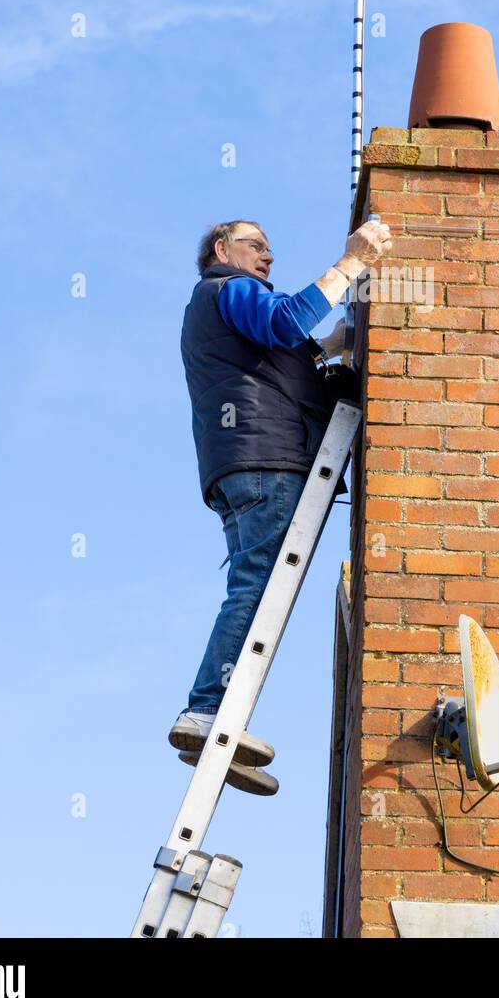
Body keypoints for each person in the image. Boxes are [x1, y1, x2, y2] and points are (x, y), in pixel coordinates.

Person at [169, 217, 393, 795]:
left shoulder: (218, 308)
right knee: (257, 588)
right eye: (255, 245)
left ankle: (220, 718)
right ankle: (208, 711)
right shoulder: (228, 288)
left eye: (270, 248)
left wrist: (332, 345)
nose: (267, 256)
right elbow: (285, 319)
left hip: (244, 462)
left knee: (255, 587)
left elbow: (279, 352)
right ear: (222, 250)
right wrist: (351, 264)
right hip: (264, 460)